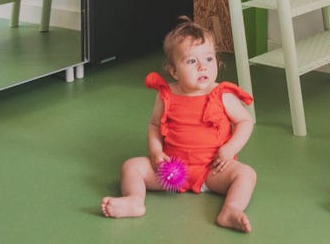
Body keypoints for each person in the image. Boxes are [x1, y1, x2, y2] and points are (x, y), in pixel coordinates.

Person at [101, 18, 256, 232]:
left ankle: (230, 209)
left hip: (212, 169)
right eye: (192, 62)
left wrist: (230, 149)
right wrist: (156, 153)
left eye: (209, 59)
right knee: (131, 167)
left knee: (246, 175)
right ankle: (134, 200)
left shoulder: (222, 94)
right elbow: (155, 126)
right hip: (172, 172)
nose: (203, 66)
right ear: (174, 71)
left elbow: (245, 121)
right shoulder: (167, 95)